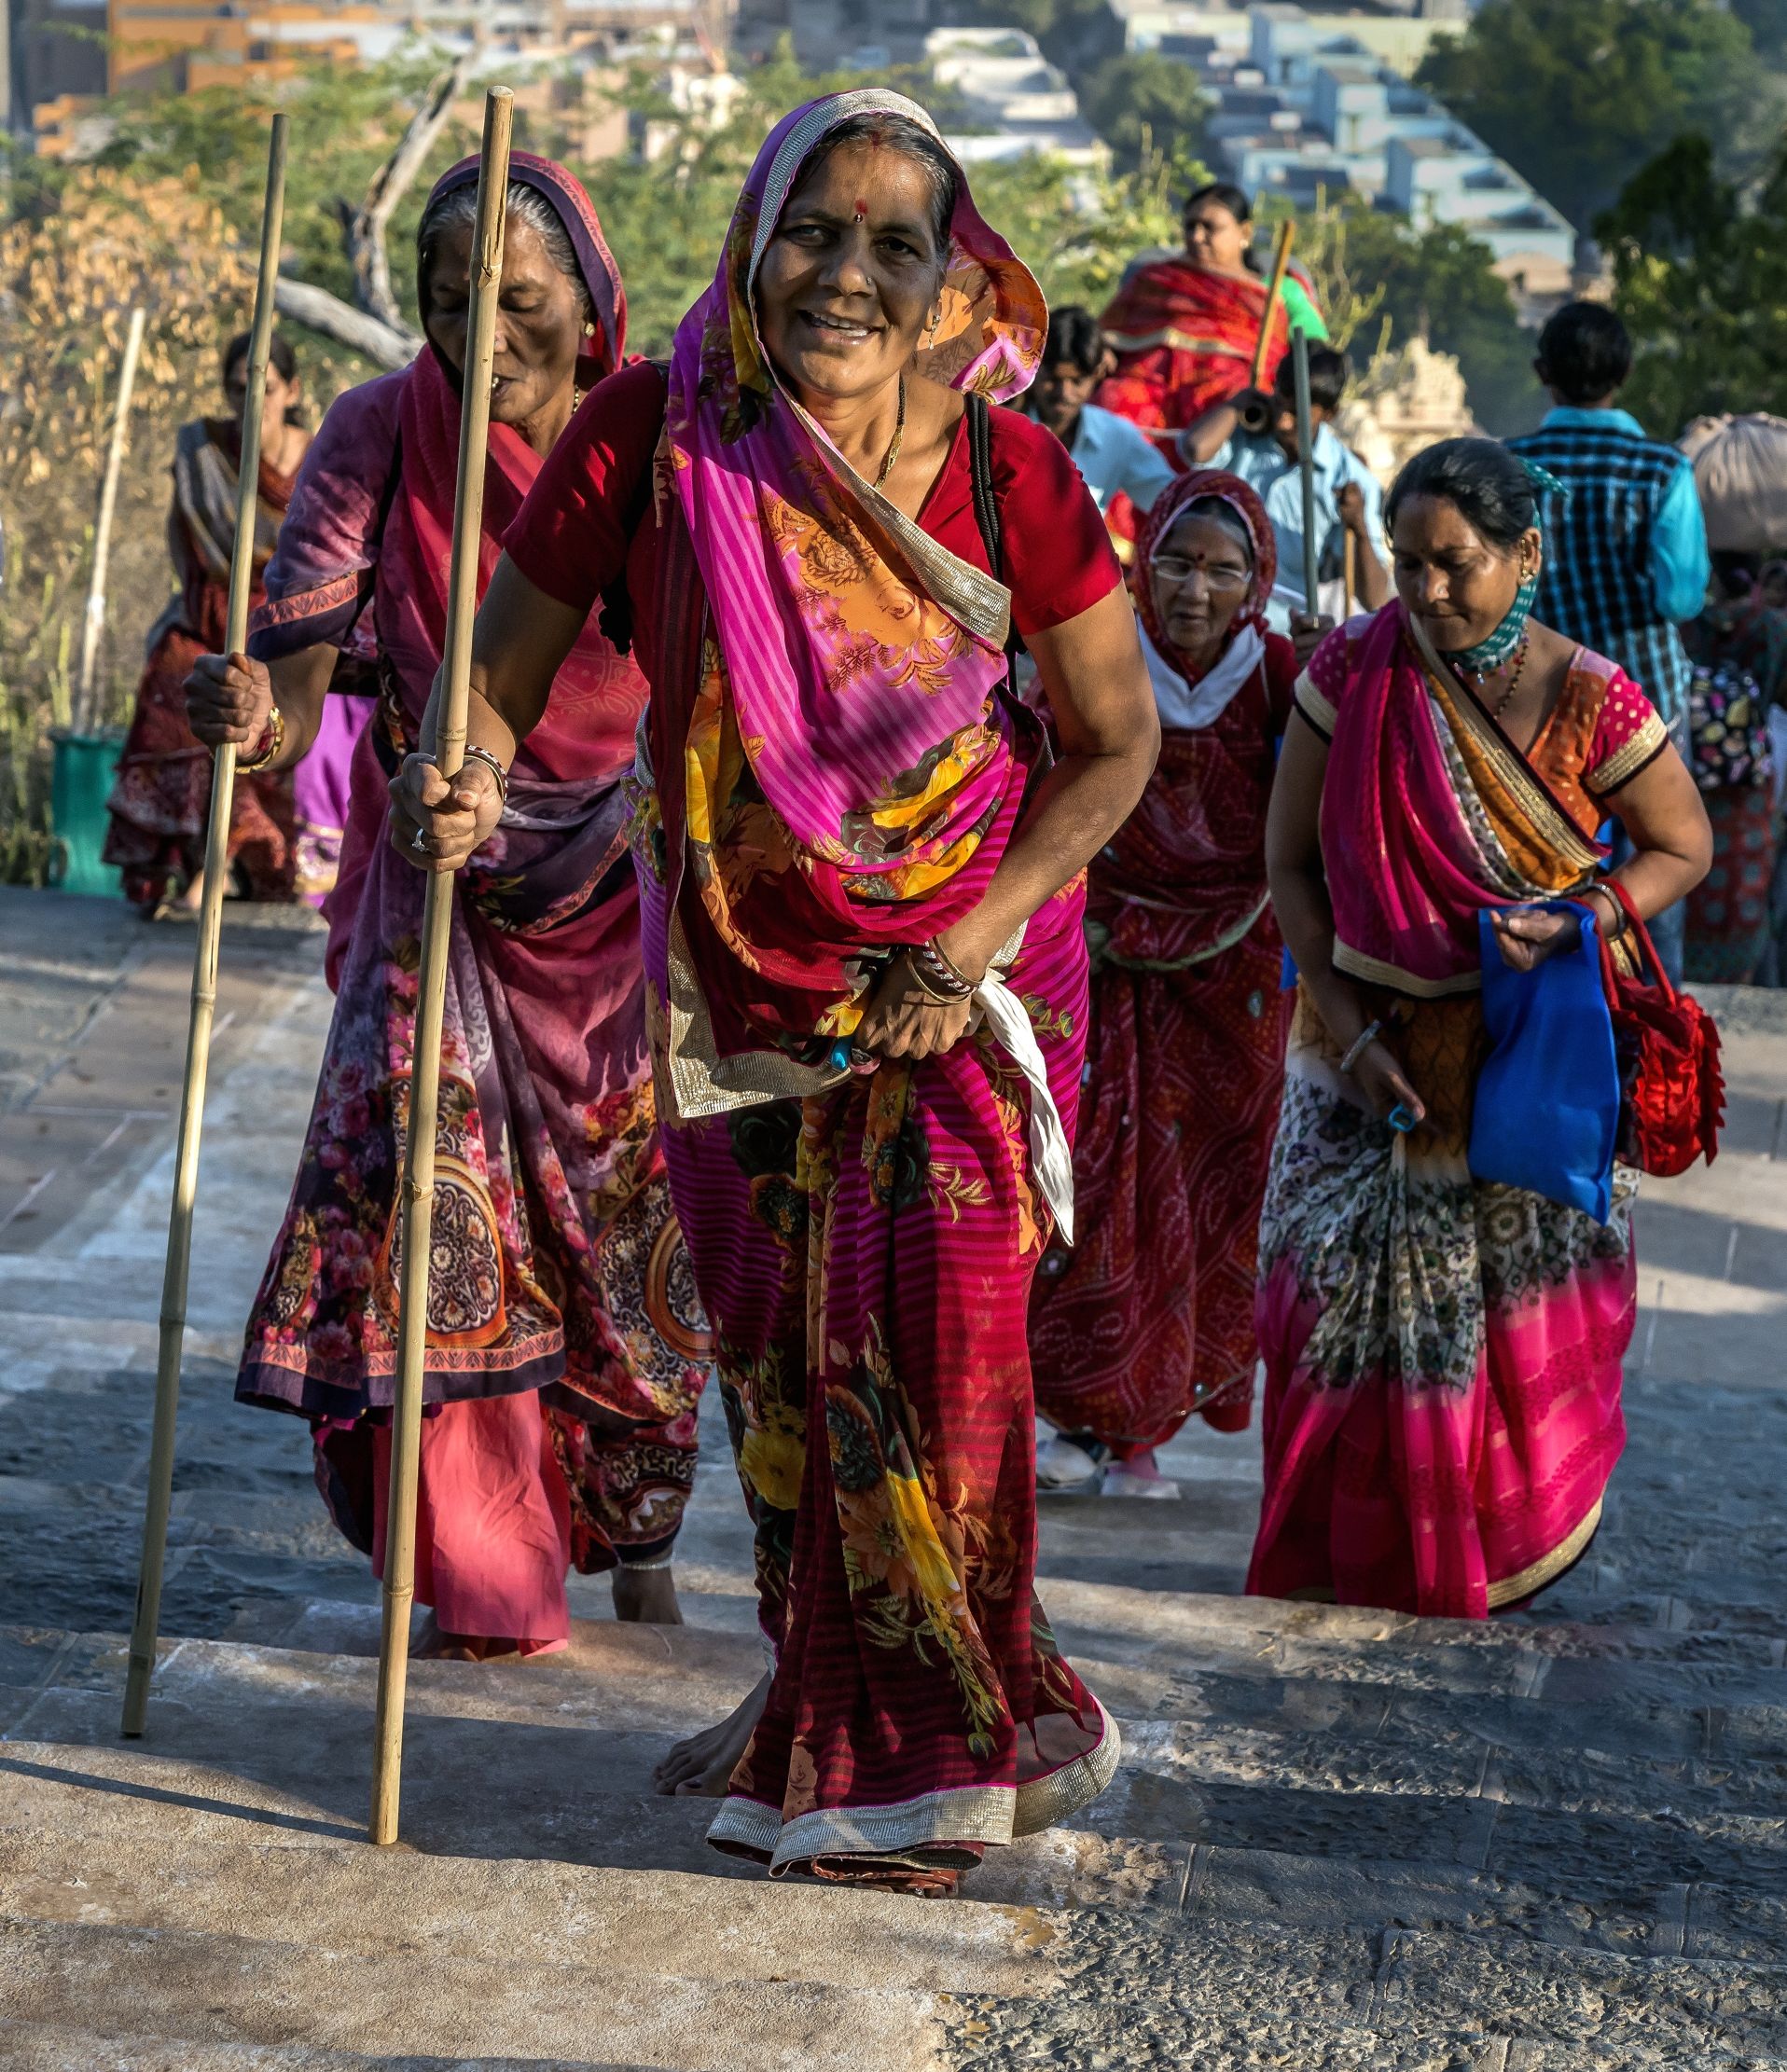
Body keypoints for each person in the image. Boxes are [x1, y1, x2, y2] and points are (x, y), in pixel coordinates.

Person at [397, 91, 1158, 1890]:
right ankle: (838, 1716)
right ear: (752, 238)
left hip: (951, 991)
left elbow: (1112, 746)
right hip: (732, 1002)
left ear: (953, 276)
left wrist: (962, 944)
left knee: (950, 1370)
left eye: (898, 243)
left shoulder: (1008, 477)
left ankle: (930, 1758)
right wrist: (465, 778)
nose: (848, 272)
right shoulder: (657, 438)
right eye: (816, 227)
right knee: (791, 1399)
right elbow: (492, 682)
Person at [183, 154, 709, 1659]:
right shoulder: (374, 431)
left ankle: (637, 1533)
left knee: (635, 1255)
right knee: (434, 1227)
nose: (481, 339)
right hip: (437, 876)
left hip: (620, 896)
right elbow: (290, 676)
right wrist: (254, 718)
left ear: (592, 301)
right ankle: (489, 1582)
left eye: (519, 302)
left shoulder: (658, 442)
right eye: (443, 306)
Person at [1254, 437, 1711, 1619]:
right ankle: (1340, 1555)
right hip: (1357, 1044)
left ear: (1527, 554)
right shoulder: (1354, 669)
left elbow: (1680, 845)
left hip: (1517, 1058)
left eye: (1453, 564)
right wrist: (1349, 1037)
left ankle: (1492, 1547)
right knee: (1321, 1302)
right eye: (1404, 562)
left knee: (1507, 1322)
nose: (1424, 590)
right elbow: (1288, 864)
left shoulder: (1588, 696)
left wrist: (1583, 920)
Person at [1029, 471, 1296, 1499]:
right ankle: (1084, 1408)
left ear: (1253, 580)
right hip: (1097, 950)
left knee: (1203, 1191)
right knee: (1091, 1178)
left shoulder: (1278, 672)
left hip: (1228, 978)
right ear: (1142, 564)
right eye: (1178, 562)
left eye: (1222, 569)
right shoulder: (1097, 652)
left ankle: (1144, 1424)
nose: (1195, 588)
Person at [1506, 301, 1711, 981]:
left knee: (1543, 867)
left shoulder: (1508, 468)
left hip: (1536, 700)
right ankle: (1654, 1031)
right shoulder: (1661, 469)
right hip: (1647, 701)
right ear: (1623, 373)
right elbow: (1681, 595)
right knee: (1658, 864)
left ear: (1543, 374)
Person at [104, 332, 308, 915]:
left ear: (290, 391)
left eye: (263, 390)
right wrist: (205, 602)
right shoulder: (204, 452)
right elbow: (180, 535)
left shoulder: (318, 456)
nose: (251, 402)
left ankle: (229, 861)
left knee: (241, 692)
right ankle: (187, 861)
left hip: (283, 621)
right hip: (208, 612)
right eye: (238, 389)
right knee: (177, 670)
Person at [1181, 343, 1391, 634]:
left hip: (1283, 632)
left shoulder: (1350, 479)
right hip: (1216, 617)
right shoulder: (1246, 434)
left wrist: (1359, 527)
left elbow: (1376, 598)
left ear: (1330, 414)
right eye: (1280, 401)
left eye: (1297, 412)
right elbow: (1196, 449)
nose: (1282, 420)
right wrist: (1238, 403)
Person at [1096, 182, 1292, 449]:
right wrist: (1103, 349)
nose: (1197, 237)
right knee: (1114, 400)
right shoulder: (1157, 278)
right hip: (1148, 385)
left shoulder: (1262, 299)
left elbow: (1273, 362)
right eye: (1191, 226)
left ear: (1244, 232)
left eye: (1210, 228)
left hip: (1221, 395)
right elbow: (1109, 330)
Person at [1681, 560, 1781, 983]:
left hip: (1687, 781)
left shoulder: (1687, 626)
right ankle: (1741, 981)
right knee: (1748, 892)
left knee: (1687, 874)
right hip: (1747, 796)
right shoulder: (1770, 629)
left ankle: (1688, 980)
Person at [1024, 304, 1175, 544]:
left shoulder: (1117, 436)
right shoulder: (1003, 427)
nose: (1065, 392)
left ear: (1097, 374)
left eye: (1077, 381)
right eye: (1053, 379)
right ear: (1033, 368)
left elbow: (1170, 500)